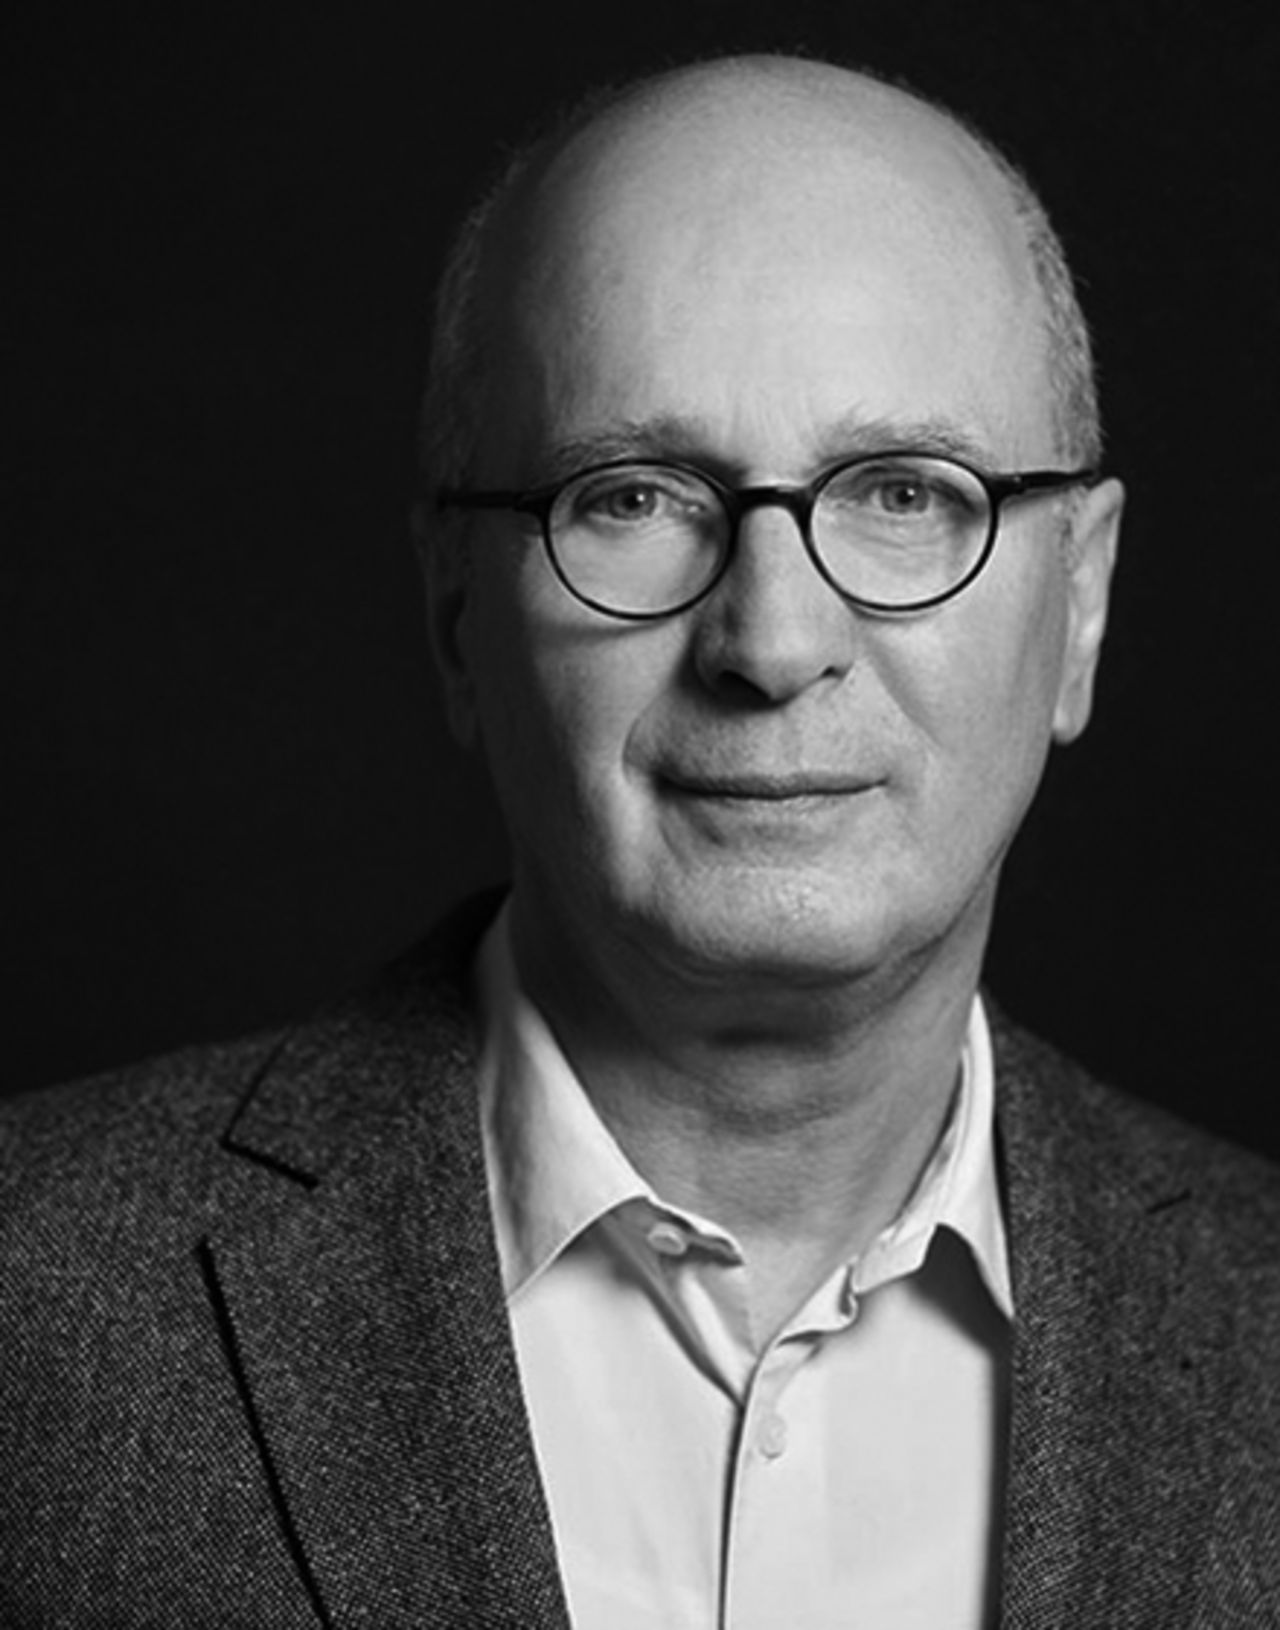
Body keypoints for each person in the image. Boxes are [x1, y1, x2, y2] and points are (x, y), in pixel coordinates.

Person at [2, 50, 1277, 1630]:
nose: (774, 640)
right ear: (455, 613)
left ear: (1078, 603)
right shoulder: (34, 1309)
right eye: (637, 496)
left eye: (903, 492)